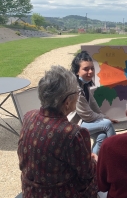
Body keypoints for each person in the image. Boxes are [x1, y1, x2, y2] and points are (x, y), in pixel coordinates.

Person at [17, 66, 98, 198]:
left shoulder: (28, 116)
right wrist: (93, 161)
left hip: (30, 192)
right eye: (77, 91)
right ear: (67, 102)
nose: (79, 95)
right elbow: (87, 175)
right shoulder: (74, 133)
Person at [69, 51, 118, 154]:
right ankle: (117, 154)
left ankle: (94, 162)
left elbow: (93, 104)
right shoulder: (75, 89)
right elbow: (88, 116)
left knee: (102, 135)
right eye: (86, 69)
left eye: (92, 68)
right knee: (107, 125)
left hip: (81, 122)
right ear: (77, 71)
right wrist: (105, 119)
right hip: (71, 126)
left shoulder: (83, 85)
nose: (90, 72)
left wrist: (105, 116)